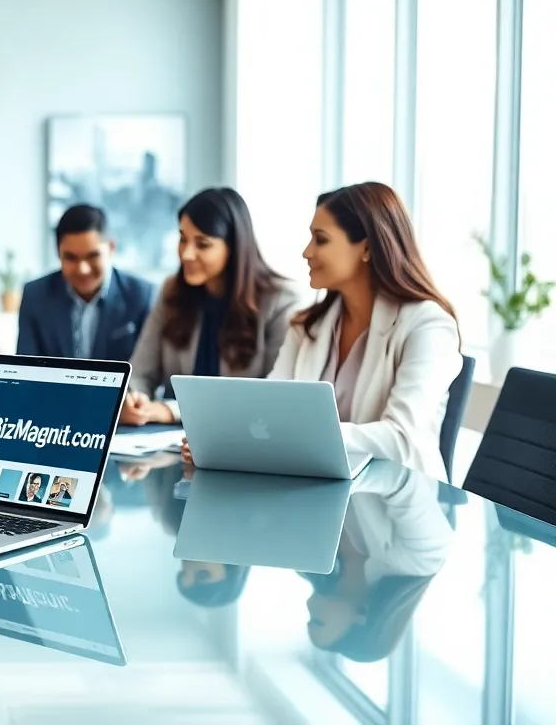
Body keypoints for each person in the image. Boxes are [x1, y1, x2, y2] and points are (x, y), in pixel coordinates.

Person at [269, 182, 462, 480]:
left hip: (399, 497)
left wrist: (299, 435)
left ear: (367, 247)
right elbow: (268, 406)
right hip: (319, 489)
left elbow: (400, 438)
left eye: (321, 240)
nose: (307, 252)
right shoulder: (307, 325)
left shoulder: (428, 325)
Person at [123, 188, 301, 425]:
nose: (187, 254)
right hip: (170, 439)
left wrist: (173, 410)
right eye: (183, 239)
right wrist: (135, 400)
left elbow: (273, 397)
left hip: (242, 437)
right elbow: (140, 373)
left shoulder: (280, 300)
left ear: (234, 247)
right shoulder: (172, 290)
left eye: (203, 244)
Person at [303, 461, 452, 661]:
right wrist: (335, 482)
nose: (309, 609)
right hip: (390, 447)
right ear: (361, 619)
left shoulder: (311, 566)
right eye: (317, 621)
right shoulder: (422, 558)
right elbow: (402, 479)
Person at [17, 204, 155, 361]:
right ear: (58, 253)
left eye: (92, 256)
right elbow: (25, 366)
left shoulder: (142, 295)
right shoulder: (35, 296)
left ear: (111, 248)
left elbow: (148, 369)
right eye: (71, 257)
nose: (82, 269)